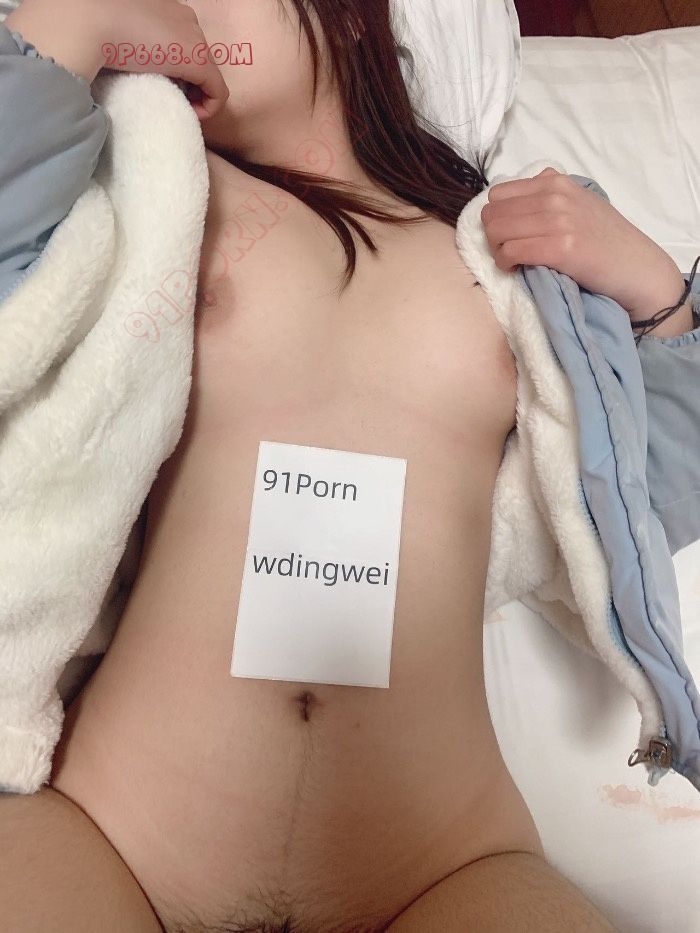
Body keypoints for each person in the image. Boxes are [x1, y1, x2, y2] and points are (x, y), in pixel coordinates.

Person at [1, 0, 641, 929]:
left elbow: (629, 508)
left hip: (445, 861)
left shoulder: (499, 253)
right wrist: (75, 28)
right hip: (113, 832)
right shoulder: (159, 181)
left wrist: (661, 302)